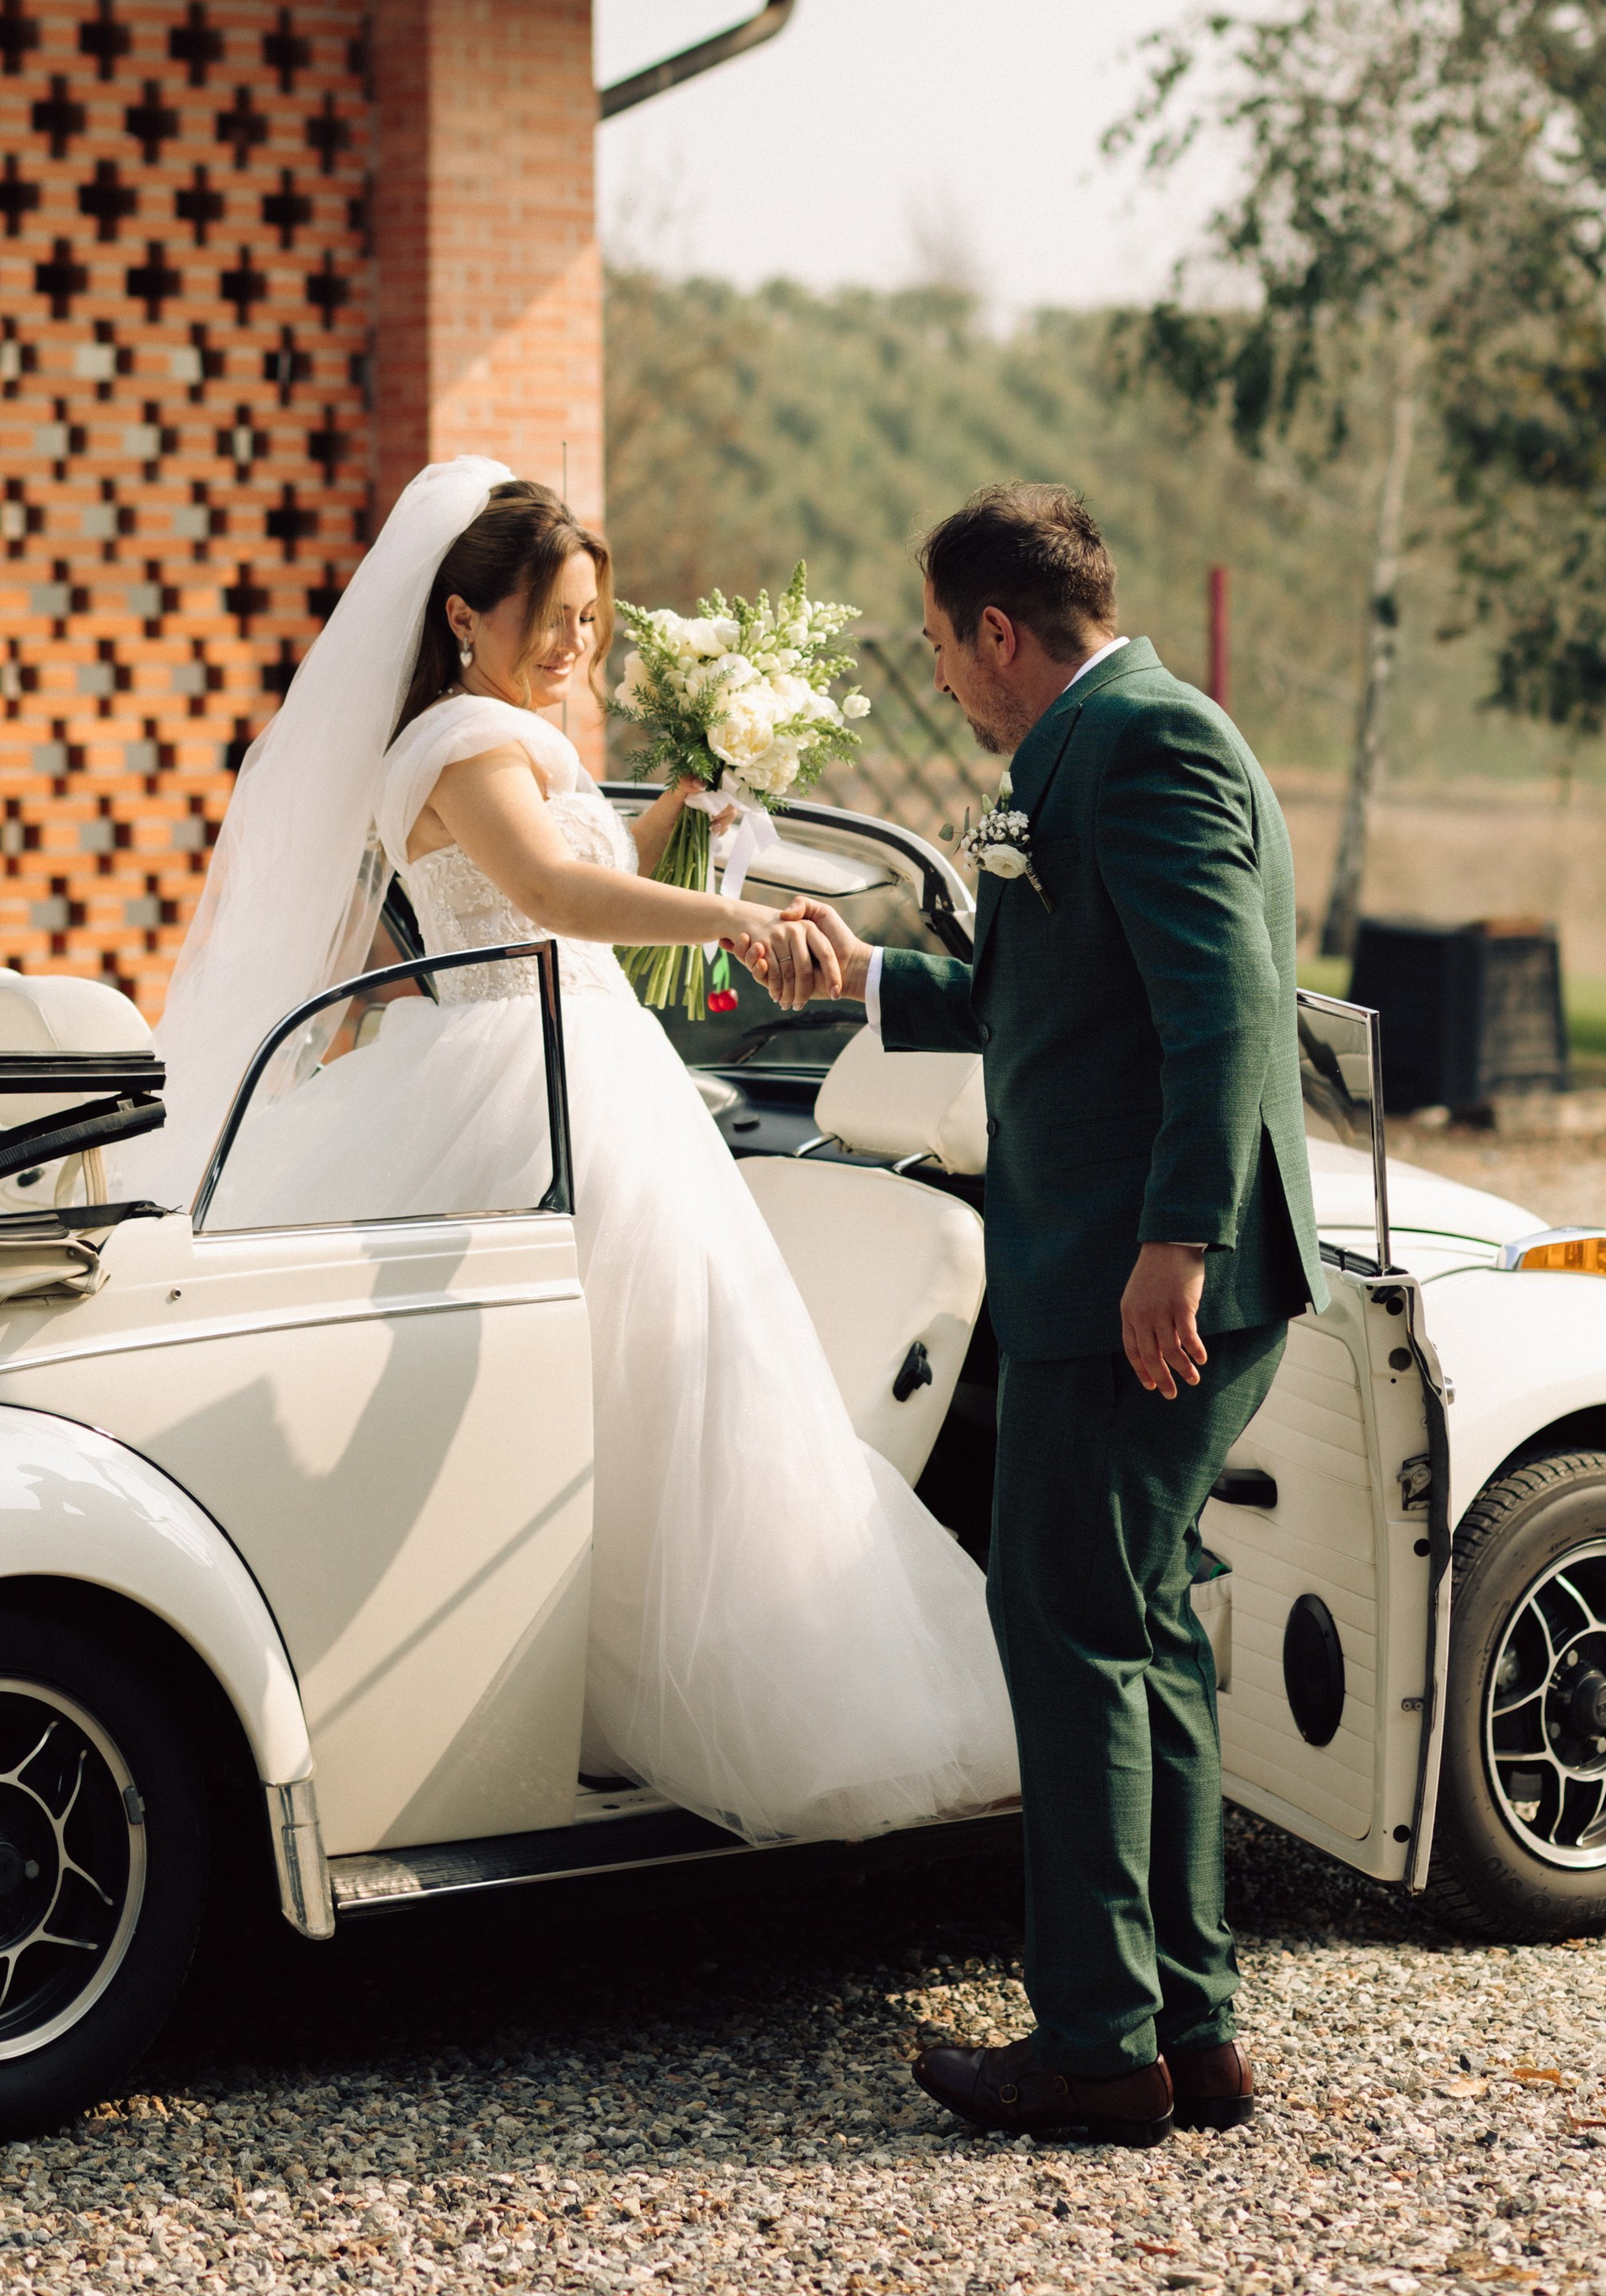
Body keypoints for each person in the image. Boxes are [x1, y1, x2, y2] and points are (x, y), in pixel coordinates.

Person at [149, 455, 1018, 1846]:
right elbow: (552, 893)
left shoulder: (501, 738)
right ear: (461, 618)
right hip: (526, 1076)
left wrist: (687, 802)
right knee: (657, 1384)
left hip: (581, 1062)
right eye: (553, 617)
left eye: (594, 619)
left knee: (664, 1386)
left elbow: (589, 854)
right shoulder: (458, 747)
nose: (577, 644)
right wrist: (735, 926)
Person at [767, 482, 1325, 2148]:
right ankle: (1185, 2029)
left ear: (993, 627)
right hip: (1106, 1262)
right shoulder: (1077, 754)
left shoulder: (1147, 745)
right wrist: (857, 975)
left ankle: (1092, 2047)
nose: (939, 669)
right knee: (1135, 1623)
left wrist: (1174, 1243)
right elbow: (1041, 999)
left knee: (1067, 1622)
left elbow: (1222, 1013)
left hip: (1139, 1278)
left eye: (937, 638)